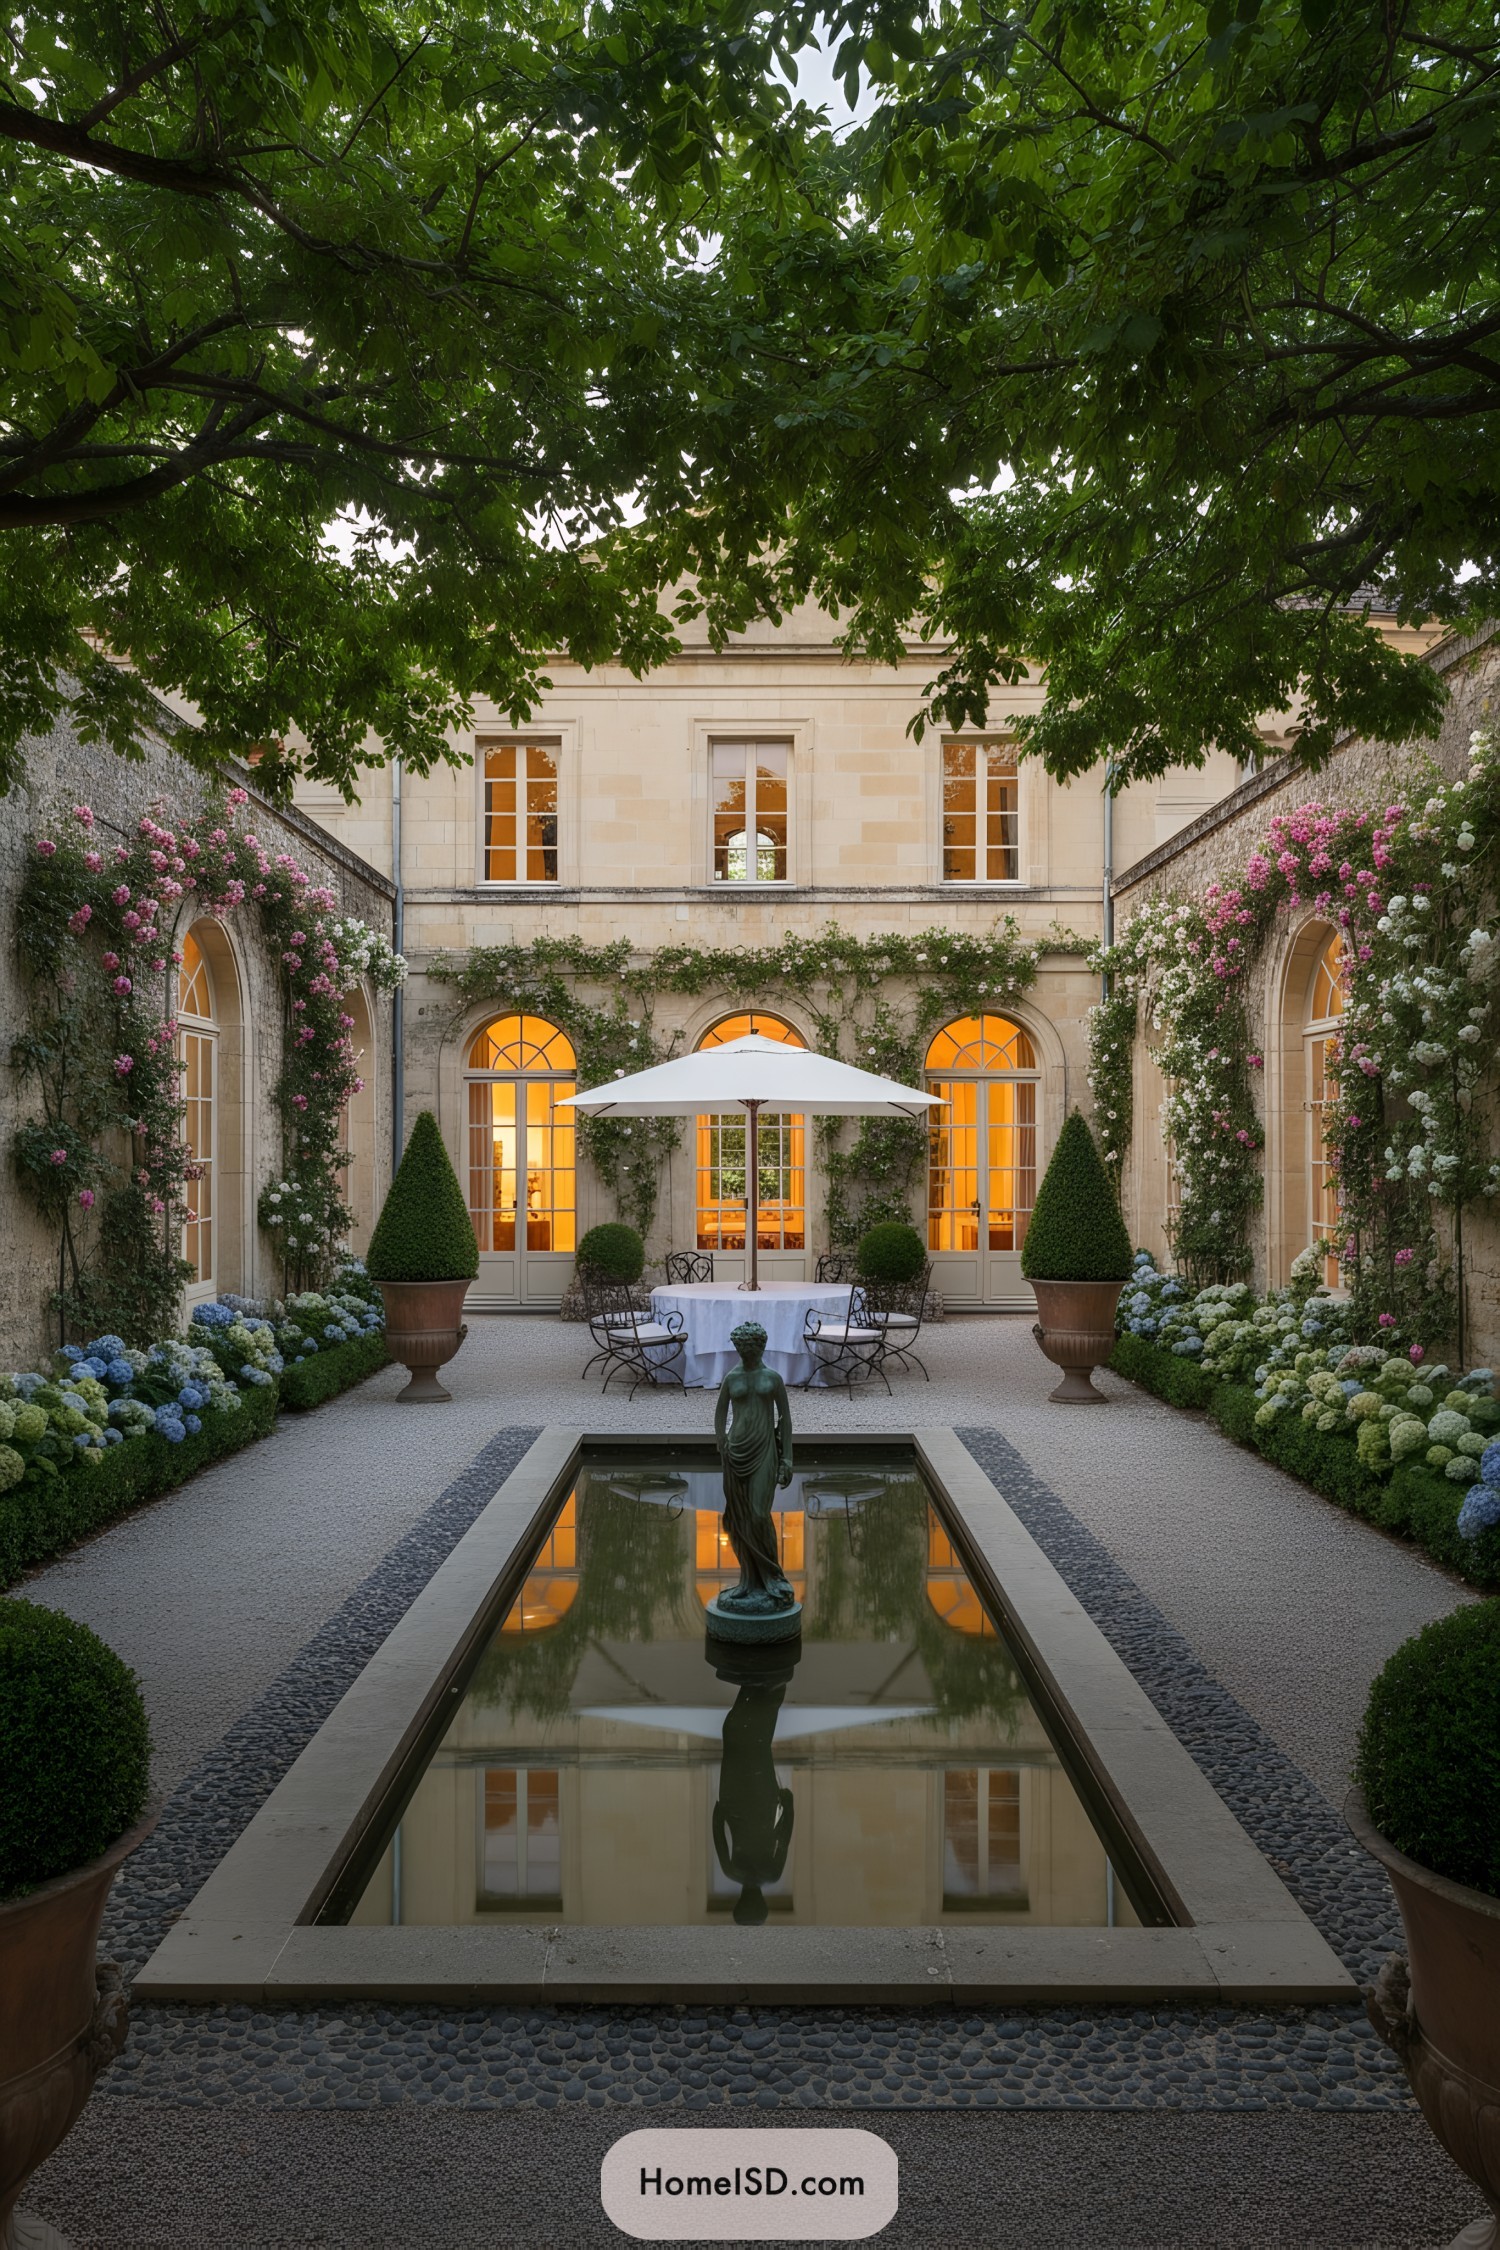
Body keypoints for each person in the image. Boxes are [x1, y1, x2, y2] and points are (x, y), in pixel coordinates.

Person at [712, 1320, 795, 1613]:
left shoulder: (772, 1378)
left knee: (759, 1514)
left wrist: (787, 1459)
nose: (745, 1353)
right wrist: (721, 1439)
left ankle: (774, 1577)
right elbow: (720, 1412)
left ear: (761, 1347)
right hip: (736, 1451)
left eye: (750, 1348)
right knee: (737, 1518)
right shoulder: (731, 1377)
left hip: (764, 1451)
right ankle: (748, 1581)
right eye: (741, 1349)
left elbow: (784, 1419)